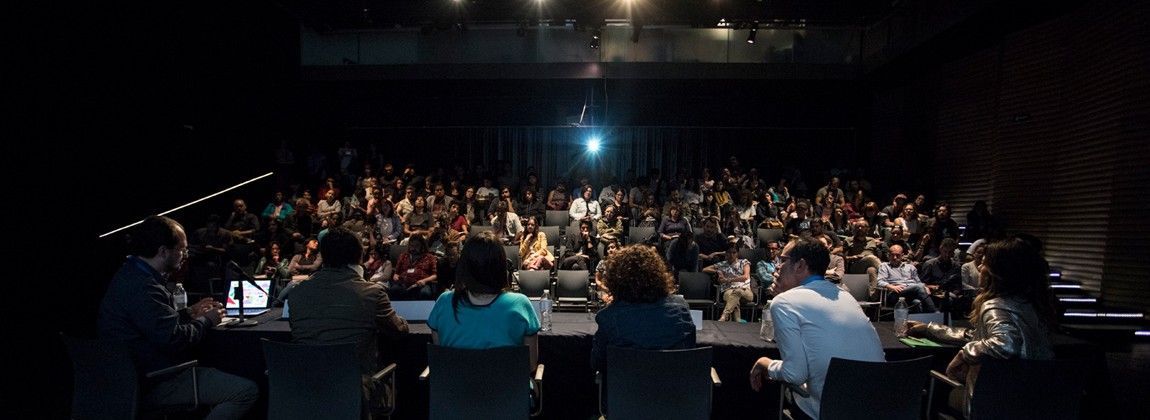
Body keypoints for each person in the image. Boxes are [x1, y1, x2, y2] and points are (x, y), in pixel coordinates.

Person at [99, 216, 258, 419]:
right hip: (154, 381)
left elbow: (152, 322)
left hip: (126, 380)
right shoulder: (145, 287)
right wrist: (207, 320)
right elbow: (174, 339)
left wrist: (188, 313)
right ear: (163, 251)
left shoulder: (129, 275)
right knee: (245, 391)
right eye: (182, 250)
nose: (185, 255)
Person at [907, 237, 1056, 417]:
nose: (979, 269)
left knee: (934, 390)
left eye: (984, 264)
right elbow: (980, 337)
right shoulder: (1032, 305)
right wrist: (929, 329)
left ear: (997, 273)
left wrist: (966, 352)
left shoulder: (996, 305)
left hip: (993, 403)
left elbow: (1004, 344)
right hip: (1034, 400)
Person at [748, 237, 884, 419]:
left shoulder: (784, 302)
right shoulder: (845, 296)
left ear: (800, 265)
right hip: (880, 407)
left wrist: (764, 362)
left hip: (832, 411)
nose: (777, 267)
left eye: (783, 260)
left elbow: (794, 375)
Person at [289, 227, 409, 419]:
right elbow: (400, 330)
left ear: (323, 256)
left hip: (305, 388)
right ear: (359, 256)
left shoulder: (296, 293)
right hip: (355, 392)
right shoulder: (372, 293)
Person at [591, 244, 696, 409]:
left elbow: (598, 363)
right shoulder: (681, 308)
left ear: (617, 280)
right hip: (674, 406)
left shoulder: (608, 317)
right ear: (657, 275)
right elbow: (688, 354)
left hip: (626, 407)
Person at [427, 231, 541, 373]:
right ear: (501, 266)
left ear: (464, 266)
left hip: (454, 394)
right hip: (508, 394)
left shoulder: (444, 302)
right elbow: (530, 365)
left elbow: (443, 360)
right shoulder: (520, 304)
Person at [876, 244, 938, 313]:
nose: (894, 257)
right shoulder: (884, 266)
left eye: (897, 255)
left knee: (916, 302)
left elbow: (918, 282)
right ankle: (935, 313)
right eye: (892, 255)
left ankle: (918, 323)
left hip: (911, 294)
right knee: (918, 287)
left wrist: (924, 286)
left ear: (902, 255)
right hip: (895, 294)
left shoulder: (911, 267)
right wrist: (891, 287)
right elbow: (880, 281)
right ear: (888, 255)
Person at [703, 245, 754, 322]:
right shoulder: (722, 264)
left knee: (737, 291)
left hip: (744, 291)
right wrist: (718, 271)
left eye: (734, 252)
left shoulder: (744, 262)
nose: (732, 255)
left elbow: (745, 277)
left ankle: (724, 315)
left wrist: (727, 280)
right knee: (733, 298)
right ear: (726, 253)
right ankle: (737, 320)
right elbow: (705, 269)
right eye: (729, 252)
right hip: (728, 289)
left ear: (737, 253)